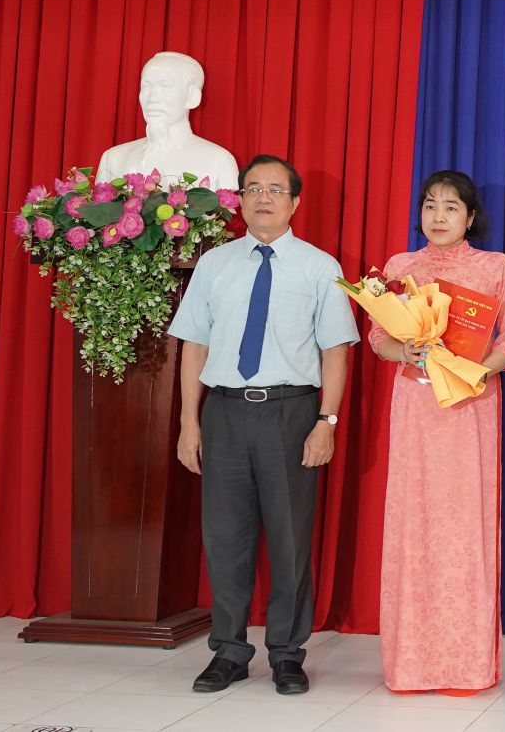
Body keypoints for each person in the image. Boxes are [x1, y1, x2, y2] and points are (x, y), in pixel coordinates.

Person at [170, 153, 359, 695]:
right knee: (225, 538)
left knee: (290, 538)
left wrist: (326, 421)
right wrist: (189, 423)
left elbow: (336, 351)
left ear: (295, 202)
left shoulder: (319, 267)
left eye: (276, 189)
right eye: (254, 188)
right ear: (240, 200)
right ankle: (228, 651)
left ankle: (287, 654)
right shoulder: (214, 265)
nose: (264, 198)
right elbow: (194, 344)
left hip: (291, 412)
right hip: (225, 411)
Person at [366, 171, 505, 693]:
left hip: (469, 404)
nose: (438, 216)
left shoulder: (494, 267)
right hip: (416, 404)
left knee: (464, 525)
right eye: (430, 205)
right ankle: (411, 665)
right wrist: (403, 350)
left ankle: (465, 665)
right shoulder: (400, 267)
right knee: (414, 521)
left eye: (451, 207)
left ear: (471, 217)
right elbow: (377, 335)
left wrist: (481, 371)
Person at [97, 51, 240, 189]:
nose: (152, 97)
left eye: (166, 85)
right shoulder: (114, 159)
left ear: (193, 97)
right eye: (146, 86)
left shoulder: (218, 161)